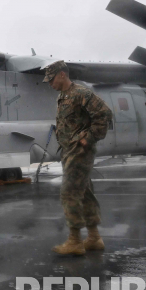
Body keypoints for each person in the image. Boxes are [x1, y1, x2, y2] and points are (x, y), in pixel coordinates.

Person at [43, 61, 113, 255]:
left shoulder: (81, 93)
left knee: (69, 192)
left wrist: (89, 138)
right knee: (84, 192)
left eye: (51, 79)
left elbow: (105, 113)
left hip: (79, 151)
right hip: (68, 150)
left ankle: (74, 241)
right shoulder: (62, 96)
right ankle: (94, 238)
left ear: (62, 75)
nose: (50, 83)